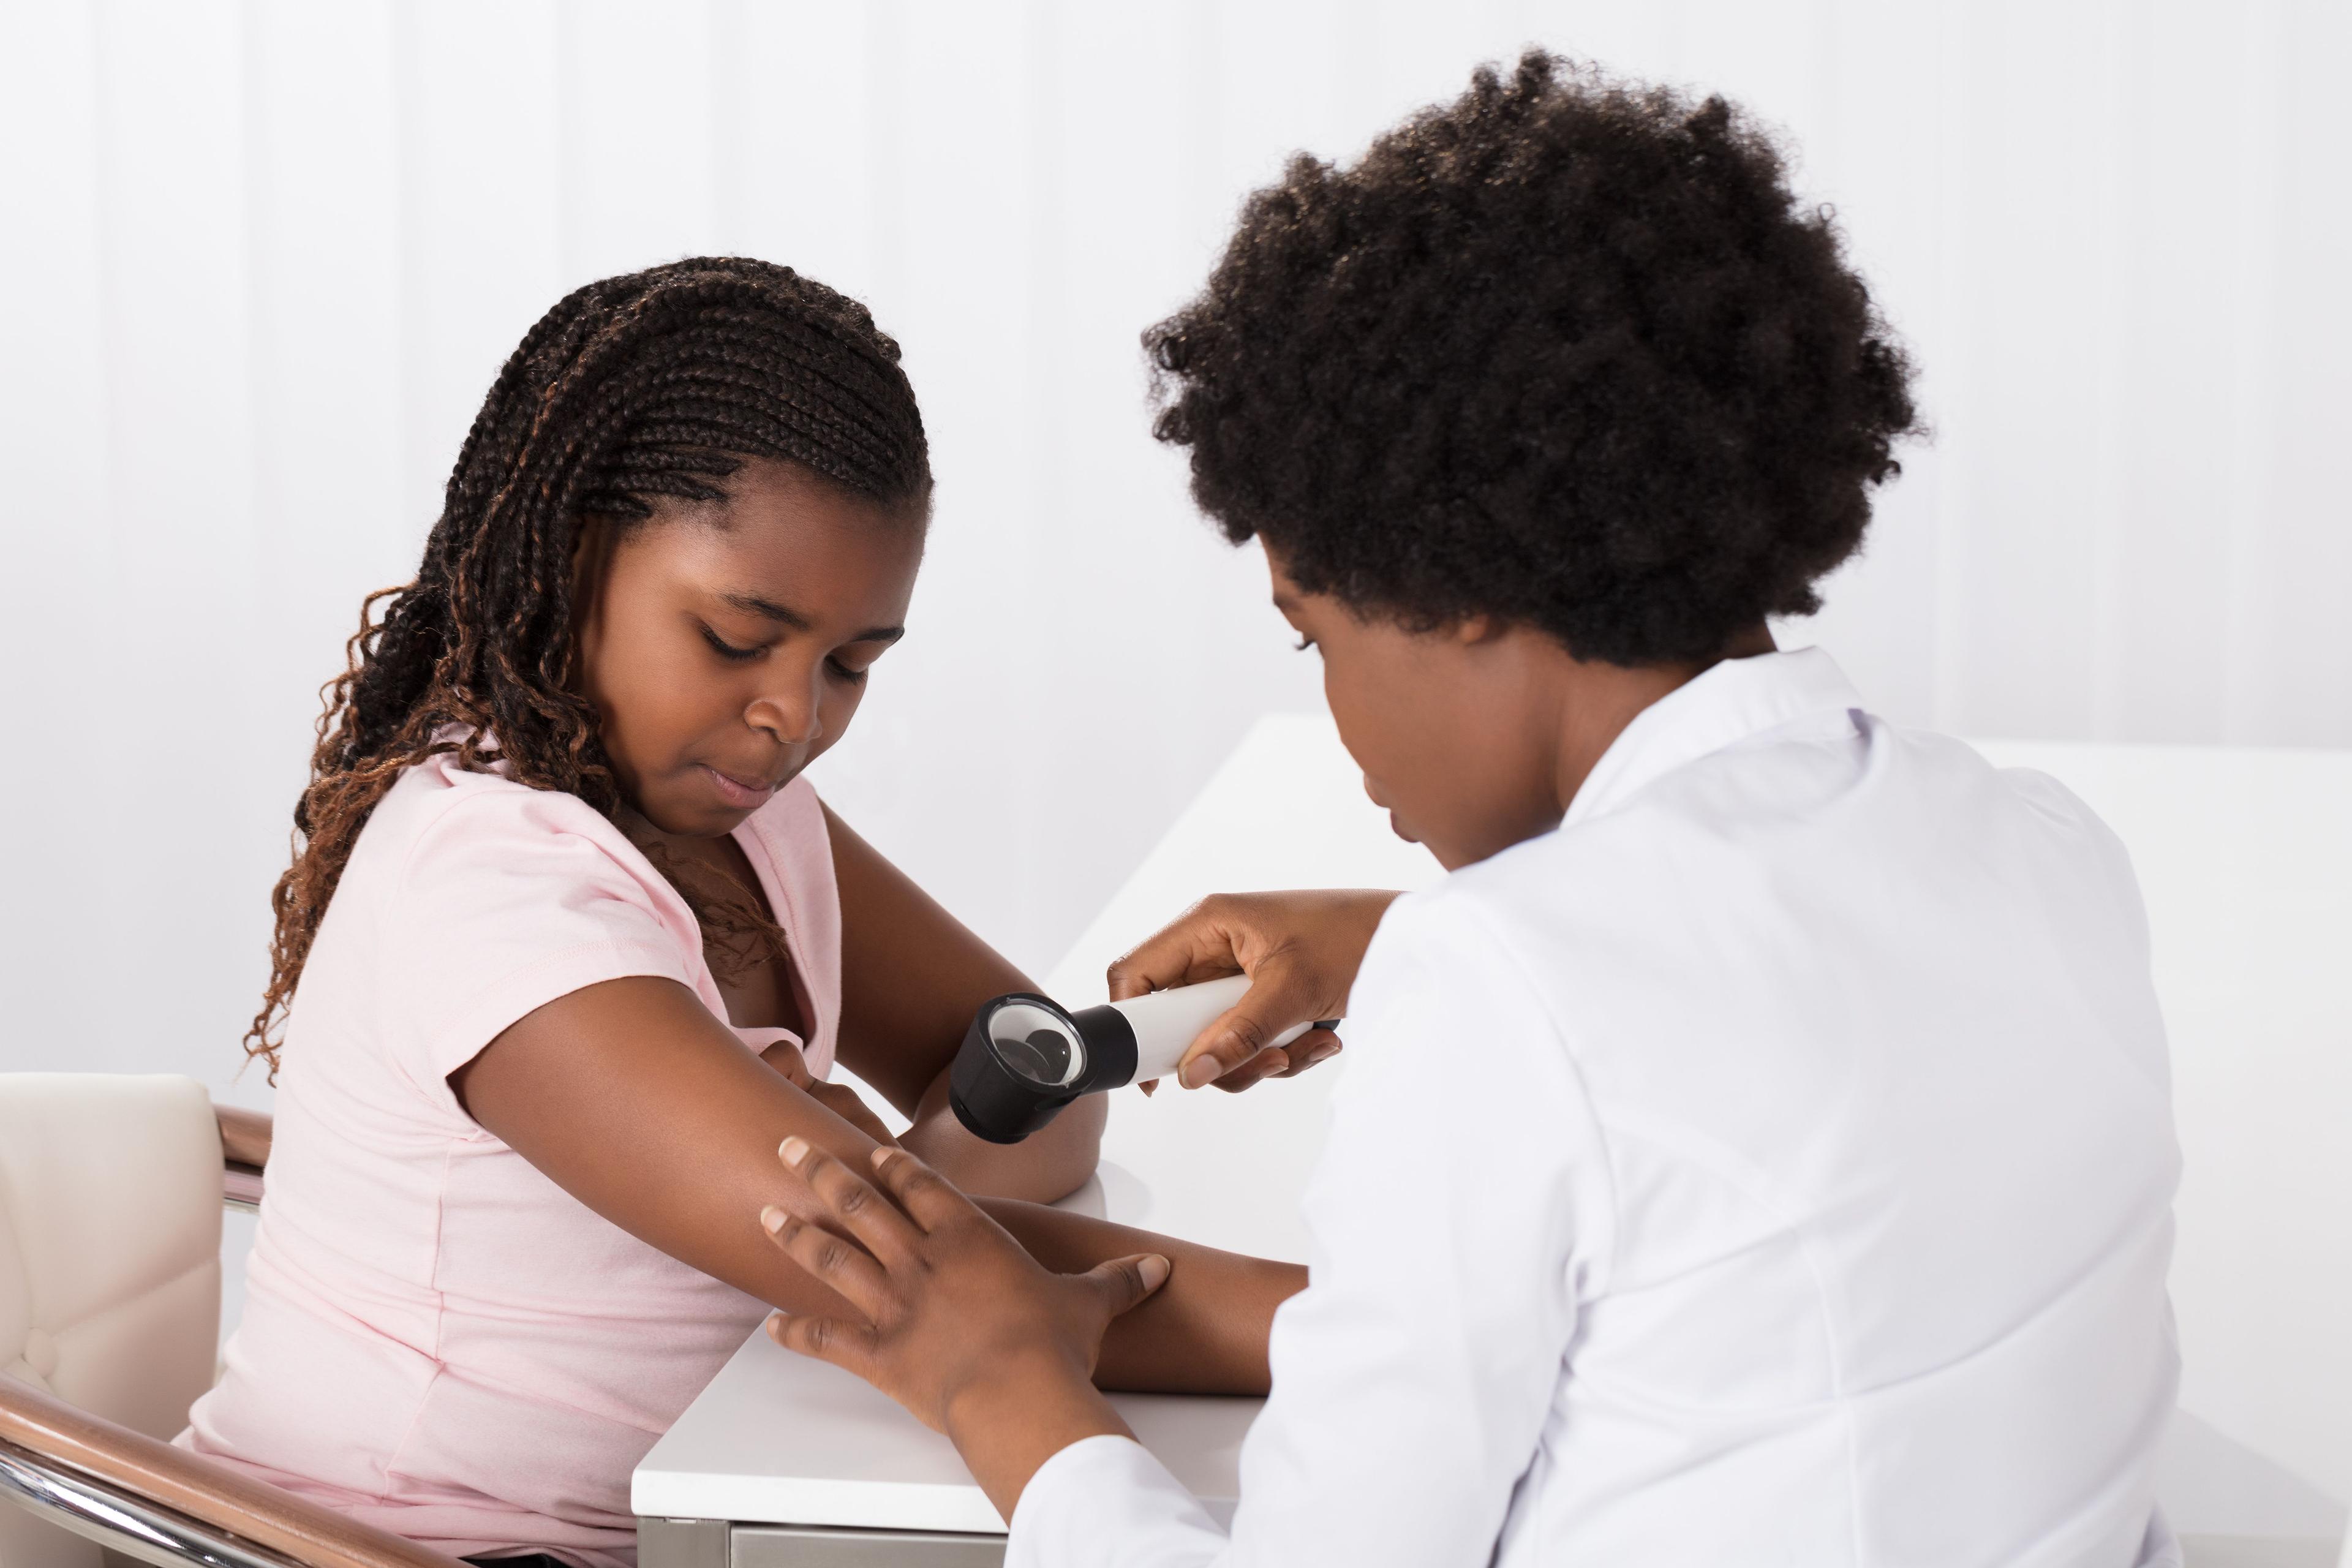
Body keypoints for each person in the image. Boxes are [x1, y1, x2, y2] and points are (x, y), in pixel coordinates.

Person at [754, 55, 2184, 1567]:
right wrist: (1413, 932)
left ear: (1452, 588)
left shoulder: (1505, 988)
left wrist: (1004, 1382)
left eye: (1317, 637)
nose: (1335, 713)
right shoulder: (2043, 850)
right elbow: (1759, 1010)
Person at [179, 258, 1319, 1568]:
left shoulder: (739, 811)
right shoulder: (489, 888)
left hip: (706, 1509)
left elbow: (1030, 1073)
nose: (797, 716)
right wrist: (1376, 1331)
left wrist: (921, 1200)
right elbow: (897, 1257)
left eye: (850, 664)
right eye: (736, 639)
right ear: (570, 551)